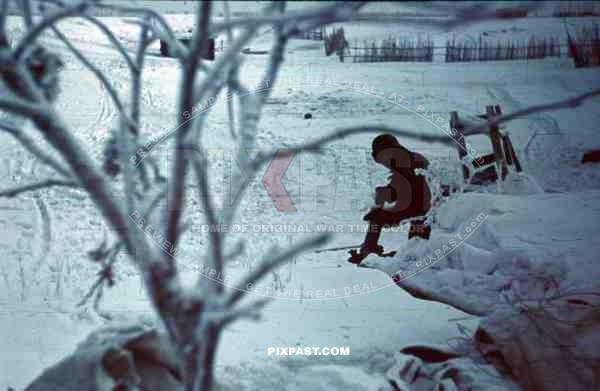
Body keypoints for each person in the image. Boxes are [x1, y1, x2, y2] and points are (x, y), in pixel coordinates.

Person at [348, 134, 432, 264]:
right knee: (380, 216)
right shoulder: (405, 158)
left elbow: (405, 189)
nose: (384, 163)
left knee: (378, 217)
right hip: (421, 206)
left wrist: (385, 195)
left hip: (423, 208)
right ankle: (372, 249)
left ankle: (369, 250)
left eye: (383, 158)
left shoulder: (405, 160)